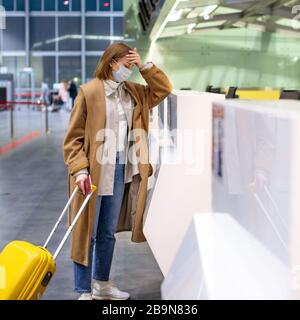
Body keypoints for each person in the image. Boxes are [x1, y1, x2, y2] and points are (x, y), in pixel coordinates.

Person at [62, 42, 173, 300]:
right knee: (86, 232)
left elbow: (164, 88)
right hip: (94, 172)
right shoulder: (89, 92)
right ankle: (83, 290)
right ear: (111, 63)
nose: (129, 70)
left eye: (132, 66)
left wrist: (144, 66)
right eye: (126, 65)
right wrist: (79, 169)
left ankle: (102, 285)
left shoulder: (134, 92)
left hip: (121, 169)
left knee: (107, 233)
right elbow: (73, 139)